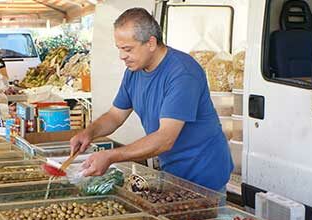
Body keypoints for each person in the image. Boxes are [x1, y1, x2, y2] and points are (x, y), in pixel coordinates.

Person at [71, 8, 233, 192]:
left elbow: (165, 138)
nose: (122, 56)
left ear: (151, 43)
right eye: (119, 49)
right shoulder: (133, 72)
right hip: (171, 171)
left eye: (127, 49)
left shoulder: (182, 73)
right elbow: (115, 116)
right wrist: (89, 133)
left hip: (204, 174)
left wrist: (111, 156)